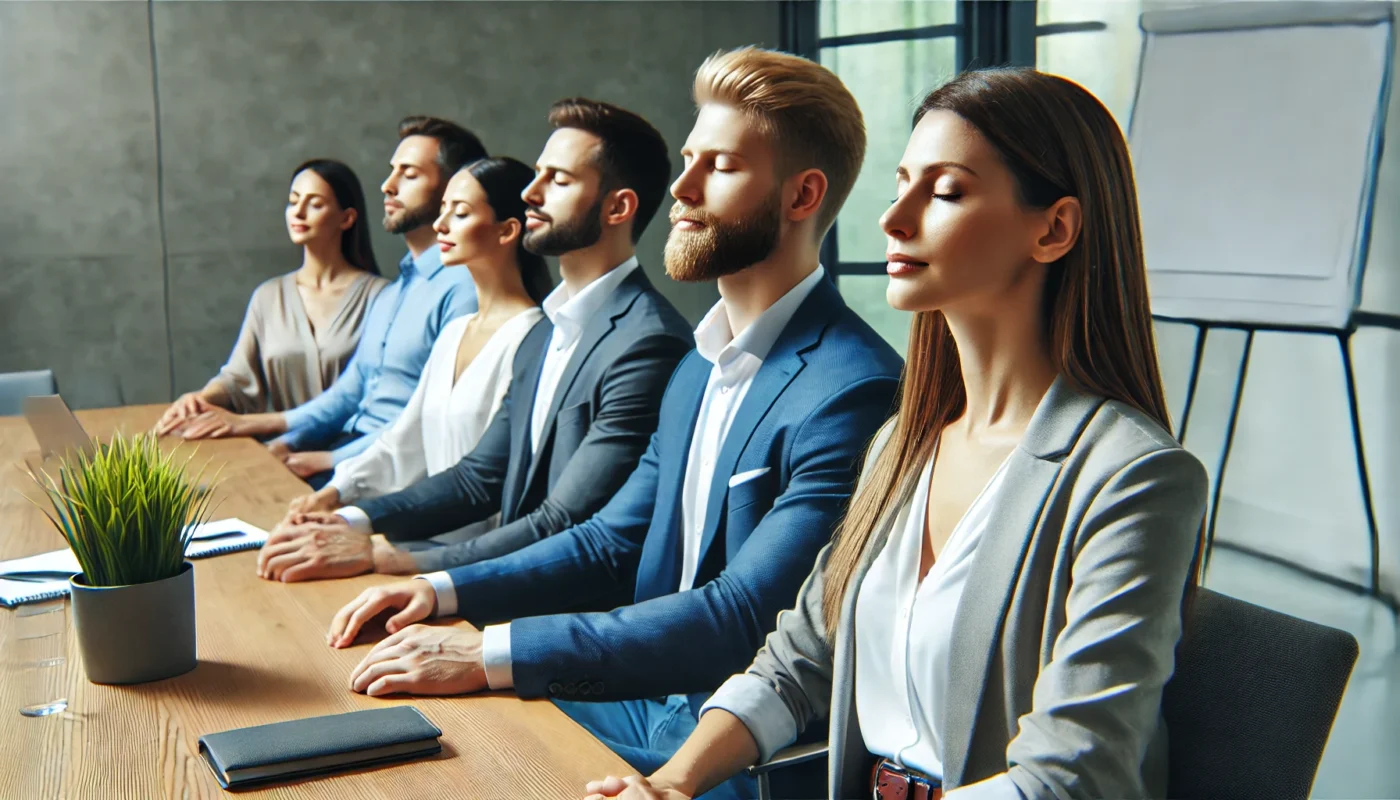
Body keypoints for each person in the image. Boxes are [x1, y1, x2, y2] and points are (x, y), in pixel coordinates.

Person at [581, 68, 1210, 800]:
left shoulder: (1135, 476)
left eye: (944, 191)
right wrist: (671, 785)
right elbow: (798, 663)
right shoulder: (903, 446)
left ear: (1054, 228)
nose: (894, 218)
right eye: (901, 184)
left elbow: (1070, 776)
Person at [320, 48, 904, 800]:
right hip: (639, 699)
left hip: (731, 750)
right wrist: (440, 592)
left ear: (802, 196)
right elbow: (609, 540)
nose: (683, 192)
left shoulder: (853, 387)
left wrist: (492, 652)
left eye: (718, 168)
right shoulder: (697, 363)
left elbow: (740, 618)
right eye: (688, 160)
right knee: (403, 729)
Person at [254, 98, 692, 580]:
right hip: (497, 580)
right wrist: (349, 518)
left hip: (557, 613)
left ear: (618, 207)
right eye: (538, 173)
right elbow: (477, 479)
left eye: (559, 180)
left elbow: (565, 521)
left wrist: (389, 559)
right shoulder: (547, 329)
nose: (531, 192)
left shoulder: (647, 342)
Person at [170, 117, 484, 488]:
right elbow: (350, 392)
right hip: (347, 452)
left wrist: (328, 460)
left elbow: (430, 420)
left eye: (409, 174)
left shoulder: (465, 288)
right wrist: (281, 441)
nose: (387, 186)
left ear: (455, 189)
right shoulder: (398, 290)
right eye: (391, 171)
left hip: (387, 473)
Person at [280, 157, 551, 549]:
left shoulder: (533, 338)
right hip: (425, 537)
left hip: (479, 555)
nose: (440, 225)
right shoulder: (455, 332)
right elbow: (404, 441)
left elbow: (488, 482)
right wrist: (333, 494)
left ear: (508, 230)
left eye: (459, 213)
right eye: (442, 211)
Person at [154, 159, 387, 431]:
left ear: (346, 218)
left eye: (314, 204)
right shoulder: (269, 296)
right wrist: (199, 399)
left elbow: (382, 394)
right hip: (281, 452)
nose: (298, 213)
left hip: (355, 454)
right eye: (293, 201)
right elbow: (239, 379)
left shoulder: (380, 298)